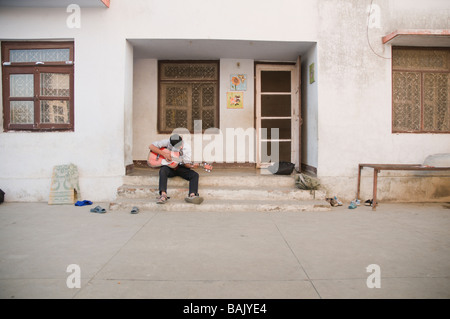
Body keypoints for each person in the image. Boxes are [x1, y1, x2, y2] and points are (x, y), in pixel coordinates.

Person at [149, 134, 203, 205]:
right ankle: (163, 195)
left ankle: (192, 195)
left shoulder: (186, 148)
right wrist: (164, 154)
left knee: (195, 175)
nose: (178, 147)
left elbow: (186, 164)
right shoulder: (167, 142)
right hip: (169, 168)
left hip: (180, 168)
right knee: (163, 170)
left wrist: (192, 166)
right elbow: (151, 146)